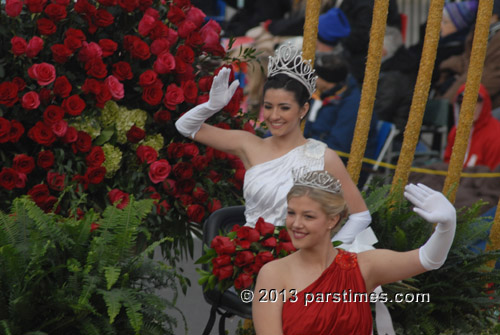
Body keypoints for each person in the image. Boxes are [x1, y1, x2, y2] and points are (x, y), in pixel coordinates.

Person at [175, 43, 371, 244]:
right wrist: (211, 106)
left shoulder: (322, 157)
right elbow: (185, 127)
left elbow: (360, 215)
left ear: (303, 110)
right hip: (249, 255)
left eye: (284, 108)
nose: (274, 116)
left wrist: (327, 254)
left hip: (299, 260)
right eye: (268, 107)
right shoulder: (249, 144)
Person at [252, 170, 457, 334]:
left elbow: (428, 259)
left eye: (308, 216)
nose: (296, 224)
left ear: (332, 220)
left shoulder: (364, 267)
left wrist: (446, 226)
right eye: (291, 213)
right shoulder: (274, 274)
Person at [304, 52, 378, 188]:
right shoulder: (323, 94)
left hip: (337, 169)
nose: (311, 78)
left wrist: (302, 151)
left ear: (325, 81)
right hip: (313, 156)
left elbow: (339, 146)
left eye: (314, 75)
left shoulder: (355, 105)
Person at [437, 0, 500, 109]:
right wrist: (446, 65)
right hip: (470, 88)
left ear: (495, 16)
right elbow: (467, 59)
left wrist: (448, 100)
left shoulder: (494, 38)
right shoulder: (479, 33)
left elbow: (491, 76)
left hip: (488, 103)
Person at [444, 84, 500, 171]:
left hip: (481, 182)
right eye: (463, 102)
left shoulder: (496, 134)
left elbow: (492, 176)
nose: (469, 107)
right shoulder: (456, 131)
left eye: (475, 102)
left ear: (485, 104)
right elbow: (447, 162)